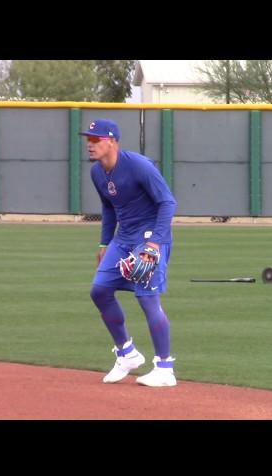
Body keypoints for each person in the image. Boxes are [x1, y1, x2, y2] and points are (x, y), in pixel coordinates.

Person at [82, 118, 178, 387]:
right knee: (99, 290)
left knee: (147, 298)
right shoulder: (97, 173)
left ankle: (165, 367)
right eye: (88, 139)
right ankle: (127, 354)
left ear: (111, 141)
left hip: (150, 237)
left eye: (95, 139)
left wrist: (155, 244)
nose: (89, 144)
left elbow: (168, 202)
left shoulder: (138, 165)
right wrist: (104, 244)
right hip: (123, 239)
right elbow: (109, 208)